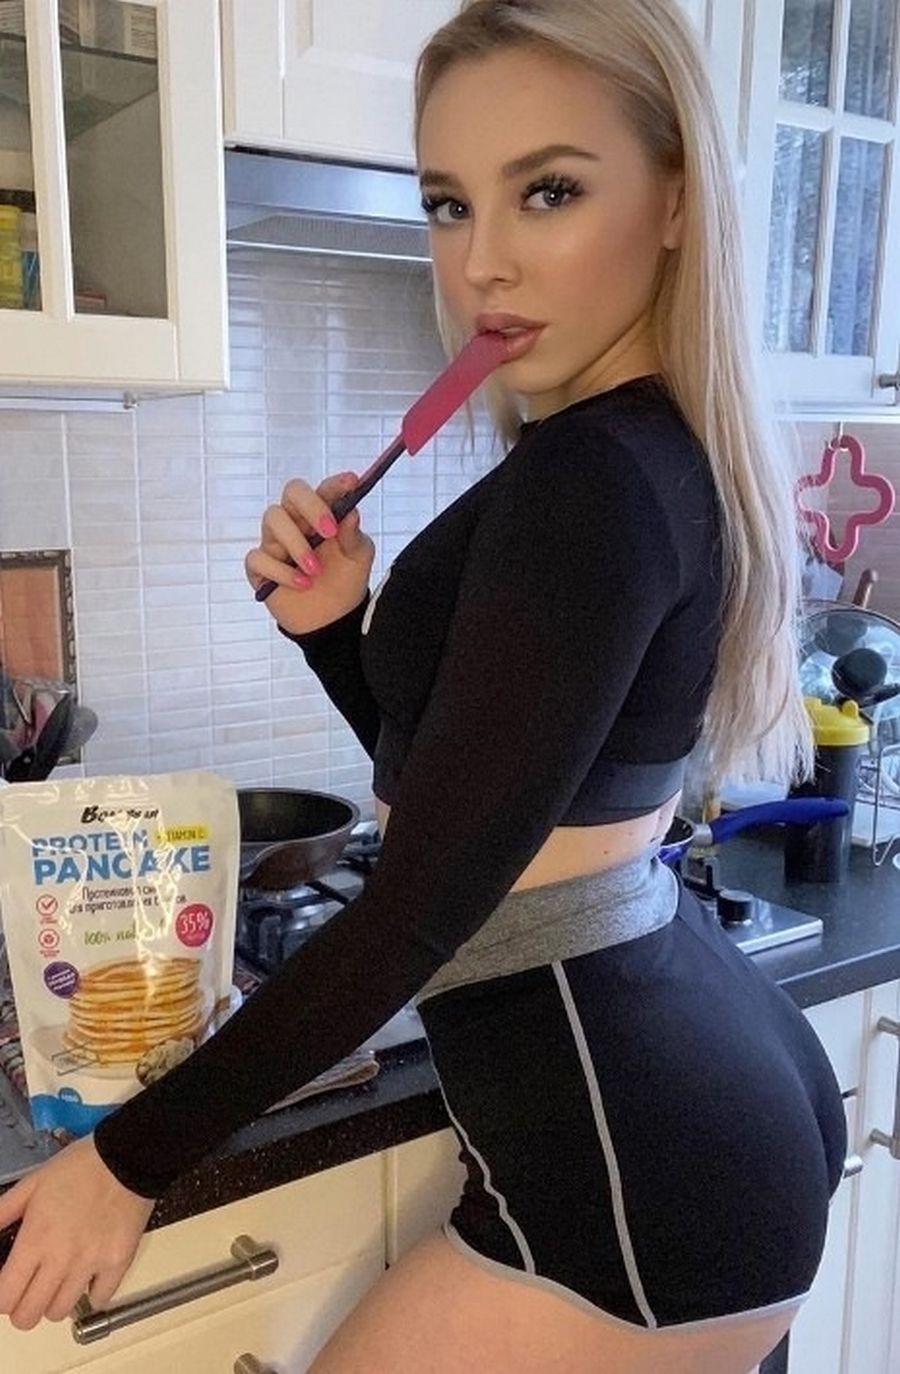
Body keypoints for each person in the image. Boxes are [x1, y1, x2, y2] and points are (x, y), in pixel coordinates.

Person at [0, 2, 847, 1369]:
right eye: (449, 204)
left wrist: (126, 1162)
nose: (482, 261)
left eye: (550, 190)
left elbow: (419, 908)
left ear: (679, 199)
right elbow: (484, 799)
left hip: (636, 1164)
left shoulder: (588, 484)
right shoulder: (638, 452)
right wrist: (341, 630)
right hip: (681, 1099)